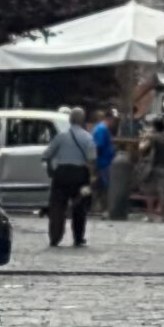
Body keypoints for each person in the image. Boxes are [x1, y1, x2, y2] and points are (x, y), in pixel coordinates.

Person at [44, 106, 95, 250]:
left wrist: (51, 169)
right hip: (80, 174)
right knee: (79, 206)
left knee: (57, 206)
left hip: (62, 173)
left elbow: (47, 154)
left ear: (70, 120)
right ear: (83, 120)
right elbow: (92, 160)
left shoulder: (61, 137)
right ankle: (78, 237)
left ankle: (55, 237)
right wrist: (91, 178)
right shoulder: (88, 137)